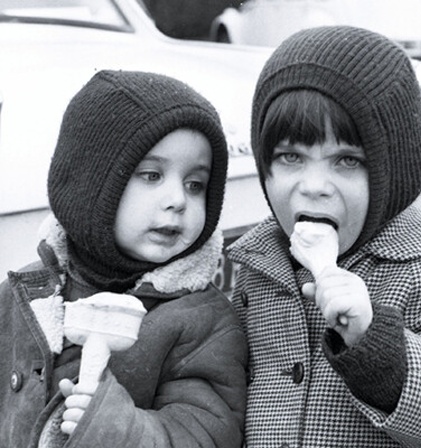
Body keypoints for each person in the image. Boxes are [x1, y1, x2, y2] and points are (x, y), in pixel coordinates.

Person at [0, 70, 247, 448]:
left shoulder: (202, 321)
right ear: (90, 184)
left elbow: (206, 433)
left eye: (195, 184)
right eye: (151, 175)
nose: (178, 199)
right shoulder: (25, 296)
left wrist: (115, 427)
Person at [227, 25, 421, 447]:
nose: (314, 186)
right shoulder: (256, 269)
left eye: (346, 161)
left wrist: (374, 341)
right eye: (291, 157)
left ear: (392, 171)